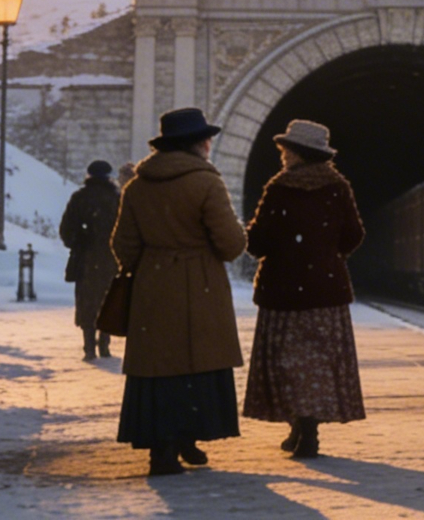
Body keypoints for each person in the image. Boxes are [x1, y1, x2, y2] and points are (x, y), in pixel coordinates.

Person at [111, 108, 247, 477]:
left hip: (152, 288)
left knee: (159, 370)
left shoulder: (137, 187)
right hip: (201, 286)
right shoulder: (206, 183)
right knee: (198, 365)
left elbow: (122, 244)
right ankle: (190, 433)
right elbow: (231, 244)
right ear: (199, 144)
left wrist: (151, 267)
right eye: (206, 138)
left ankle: (163, 450)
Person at [243, 119, 366, 459]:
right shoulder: (338, 186)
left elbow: (257, 242)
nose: (282, 156)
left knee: (287, 361)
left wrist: (261, 238)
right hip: (325, 291)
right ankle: (308, 429)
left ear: (296, 153)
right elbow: (355, 234)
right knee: (319, 362)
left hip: (283, 292)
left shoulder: (279, 187)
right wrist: (327, 254)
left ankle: (298, 425)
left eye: (285, 151)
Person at [59, 160, 121, 360]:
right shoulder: (116, 199)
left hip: (85, 258)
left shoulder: (79, 198)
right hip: (111, 259)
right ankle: (105, 344)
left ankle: (88, 346)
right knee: (108, 299)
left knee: (87, 300)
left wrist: (79, 243)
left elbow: (66, 230)